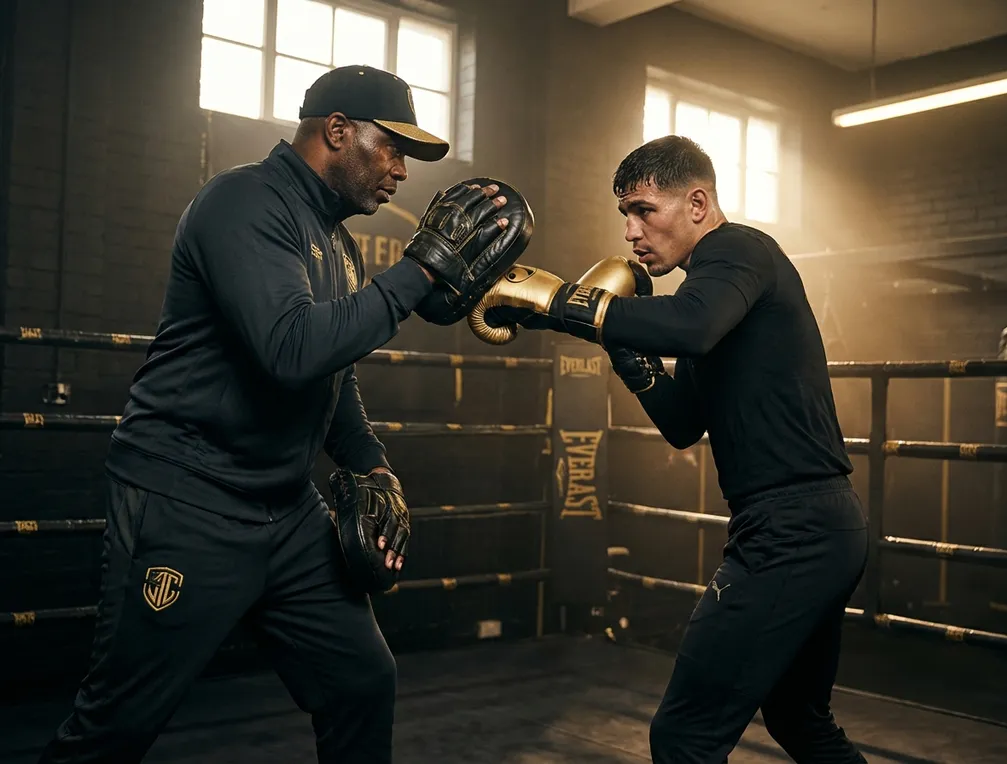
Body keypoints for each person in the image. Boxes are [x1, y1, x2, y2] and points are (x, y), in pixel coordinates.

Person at [37, 65, 518, 764]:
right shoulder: (242, 203)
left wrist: (370, 461)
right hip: (187, 500)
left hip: (286, 513)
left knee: (361, 680)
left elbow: (329, 379)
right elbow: (290, 350)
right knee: (115, 726)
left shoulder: (341, 245)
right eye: (392, 148)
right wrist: (421, 268)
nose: (401, 172)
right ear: (337, 131)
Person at [474, 135, 869, 763]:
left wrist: (562, 302)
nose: (631, 231)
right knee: (800, 720)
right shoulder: (713, 293)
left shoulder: (740, 251)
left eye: (643, 210)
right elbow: (684, 422)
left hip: (793, 529)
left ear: (696, 202)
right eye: (624, 216)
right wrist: (618, 341)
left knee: (684, 735)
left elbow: (689, 325)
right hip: (812, 524)